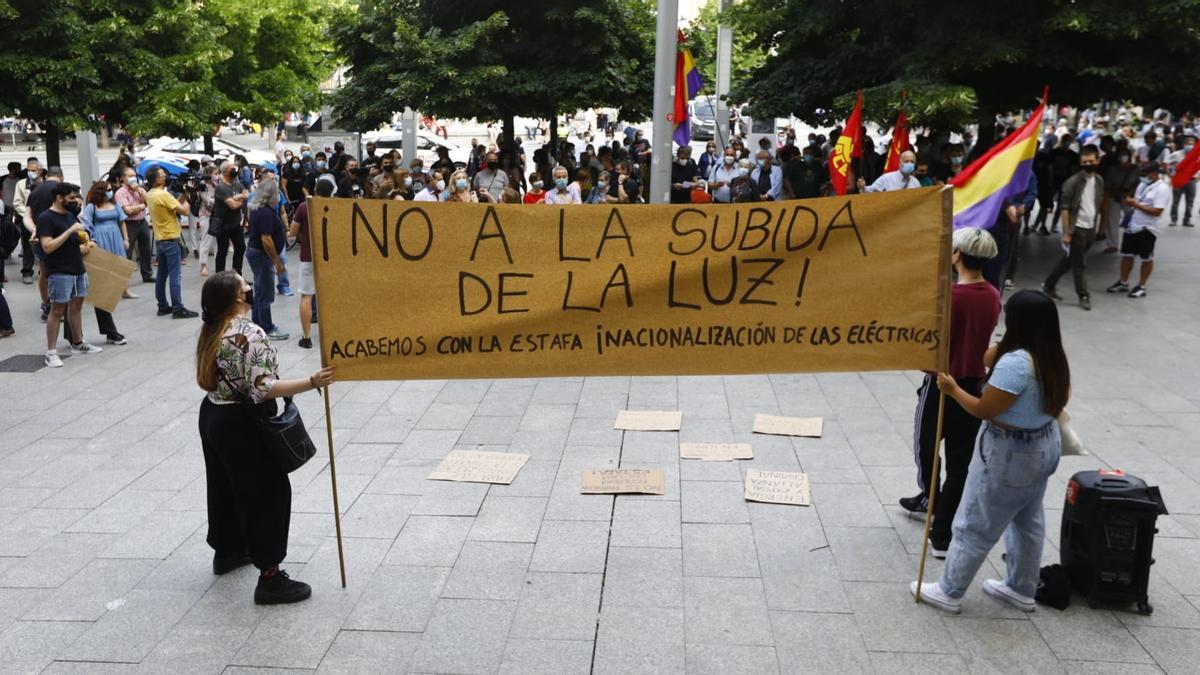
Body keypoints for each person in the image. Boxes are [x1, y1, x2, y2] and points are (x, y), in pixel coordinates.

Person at [913, 289, 1070, 615]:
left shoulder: (1016, 363)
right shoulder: (1050, 354)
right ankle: (1021, 587)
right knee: (1027, 522)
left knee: (974, 522)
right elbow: (987, 358)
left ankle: (949, 590)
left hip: (1011, 452)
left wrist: (953, 389)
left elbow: (985, 408)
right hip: (1043, 445)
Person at [195, 271, 335, 605]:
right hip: (243, 423)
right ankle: (270, 577)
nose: (250, 287)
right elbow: (264, 388)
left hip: (214, 415)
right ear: (238, 298)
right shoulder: (250, 333)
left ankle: (228, 551)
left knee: (224, 487)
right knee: (267, 494)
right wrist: (312, 381)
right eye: (244, 285)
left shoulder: (213, 328)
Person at [902, 228, 1002, 559]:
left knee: (925, 446)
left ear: (957, 255)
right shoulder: (993, 295)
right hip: (973, 386)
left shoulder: (948, 298)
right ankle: (942, 528)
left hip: (942, 384)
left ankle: (932, 496)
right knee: (961, 461)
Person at [37, 182, 104, 367]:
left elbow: (73, 240)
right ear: (60, 198)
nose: (75, 201)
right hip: (59, 271)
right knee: (57, 310)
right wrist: (69, 231)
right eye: (71, 198)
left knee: (77, 306)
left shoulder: (69, 215)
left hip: (77, 268)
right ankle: (51, 352)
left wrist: (84, 241)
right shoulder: (46, 218)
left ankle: (78, 342)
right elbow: (47, 246)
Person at [1042, 147, 1103, 310]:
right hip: (1077, 229)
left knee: (1070, 260)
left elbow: (1097, 205)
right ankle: (1083, 295)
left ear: (1097, 161)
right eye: (1085, 162)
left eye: (1091, 161)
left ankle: (1048, 284)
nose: (1088, 164)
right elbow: (1064, 209)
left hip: (1090, 228)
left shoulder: (1099, 181)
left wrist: (1096, 227)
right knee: (1079, 264)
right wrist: (1067, 232)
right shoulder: (1072, 182)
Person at [1106, 162, 1170, 298]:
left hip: (1147, 228)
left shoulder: (1162, 189)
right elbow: (1137, 200)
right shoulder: (1142, 184)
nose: (1142, 177)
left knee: (1146, 258)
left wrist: (1136, 204)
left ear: (1154, 174)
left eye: (1145, 175)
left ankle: (1141, 285)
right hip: (1133, 225)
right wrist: (1130, 201)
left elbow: (1157, 211)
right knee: (1127, 255)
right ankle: (1123, 282)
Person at [79, 181, 130, 344]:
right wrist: (91, 240)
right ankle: (110, 330)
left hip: (115, 240)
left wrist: (126, 239)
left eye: (111, 189)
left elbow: (122, 221)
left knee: (114, 282)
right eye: (107, 190)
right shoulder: (92, 207)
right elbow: (86, 225)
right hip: (100, 242)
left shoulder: (115, 204)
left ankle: (109, 329)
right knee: (102, 288)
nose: (110, 192)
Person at [145, 167, 199, 319]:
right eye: (163, 175)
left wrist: (183, 193)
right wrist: (189, 196)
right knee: (175, 276)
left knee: (162, 275)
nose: (166, 177)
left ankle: (162, 306)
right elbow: (184, 211)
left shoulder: (151, 194)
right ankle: (177, 308)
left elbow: (173, 205)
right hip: (170, 240)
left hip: (160, 240)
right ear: (157, 180)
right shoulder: (163, 194)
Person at [289, 175, 332, 349]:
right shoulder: (336, 208)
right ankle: (331, 335)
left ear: (315, 190)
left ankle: (306, 338)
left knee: (307, 297)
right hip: (329, 260)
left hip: (308, 257)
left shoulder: (303, 207)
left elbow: (292, 232)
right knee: (329, 297)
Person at [245, 178, 289, 340]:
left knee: (261, 289)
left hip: (256, 254)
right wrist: (277, 261)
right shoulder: (265, 213)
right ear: (271, 195)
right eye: (277, 192)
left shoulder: (259, 209)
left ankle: (257, 323)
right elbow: (266, 239)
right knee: (266, 292)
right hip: (261, 256)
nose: (279, 195)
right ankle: (266, 327)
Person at [115, 167, 153, 283]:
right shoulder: (120, 193)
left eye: (134, 176)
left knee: (146, 250)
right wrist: (142, 207)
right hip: (129, 224)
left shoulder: (139, 190)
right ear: (123, 178)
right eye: (129, 176)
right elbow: (128, 210)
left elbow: (149, 202)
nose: (132, 178)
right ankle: (123, 279)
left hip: (142, 222)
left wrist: (139, 191)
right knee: (127, 251)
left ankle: (147, 274)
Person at [212, 162, 250, 274]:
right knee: (222, 251)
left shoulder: (237, 184)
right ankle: (219, 276)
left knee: (241, 247)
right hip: (223, 225)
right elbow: (233, 206)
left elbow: (246, 193)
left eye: (235, 168)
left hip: (235, 223)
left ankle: (237, 275)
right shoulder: (221, 187)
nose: (235, 170)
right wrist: (242, 199)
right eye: (232, 169)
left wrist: (240, 197)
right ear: (224, 172)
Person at [14, 157, 43, 285]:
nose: (31, 172)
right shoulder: (21, 184)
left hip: (43, 219)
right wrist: (27, 214)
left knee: (45, 245)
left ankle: (44, 271)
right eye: (29, 170)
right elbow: (17, 203)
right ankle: (27, 271)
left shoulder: (45, 182)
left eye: (34, 170)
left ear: (40, 171)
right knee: (27, 246)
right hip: (26, 220)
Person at [1168, 135, 1195, 227]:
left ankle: (1187, 220)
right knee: (1176, 201)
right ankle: (1173, 219)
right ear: (1184, 144)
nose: (1190, 146)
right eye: (1188, 144)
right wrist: (1171, 176)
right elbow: (1169, 165)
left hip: (1191, 180)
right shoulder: (1176, 154)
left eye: (1192, 144)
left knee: (1190, 202)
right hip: (1179, 180)